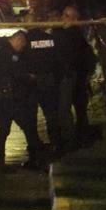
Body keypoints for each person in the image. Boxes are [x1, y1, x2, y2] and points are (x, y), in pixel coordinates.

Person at [0, 30, 44, 173]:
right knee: (27, 128)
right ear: (18, 40)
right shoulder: (7, 55)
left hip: (6, 99)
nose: (23, 47)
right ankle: (35, 159)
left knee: (3, 131)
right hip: (13, 99)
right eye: (23, 43)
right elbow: (15, 74)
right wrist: (29, 77)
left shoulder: (0, 52)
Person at [24, 10, 63, 153]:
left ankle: (34, 145)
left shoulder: (25, 40)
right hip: (48, 80)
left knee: (30, 115)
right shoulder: (49, 38)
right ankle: (56, 143)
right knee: (51, 114)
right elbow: (57, 59)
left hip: (31, 82)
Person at [62, 5, 97, 142]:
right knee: (77, 109)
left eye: (67, 16)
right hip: (75, 77)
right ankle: (81, 135)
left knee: (76, 109)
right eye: (63, 15)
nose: (63, 18)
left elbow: (87, 58)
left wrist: (86, 75)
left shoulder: (75, 36)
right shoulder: (68, 34)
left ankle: (78, 136)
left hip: (77, 78)